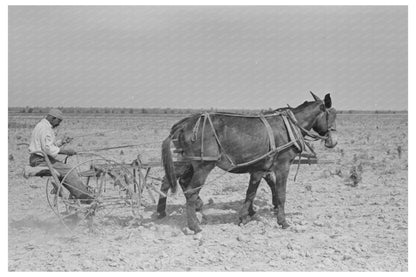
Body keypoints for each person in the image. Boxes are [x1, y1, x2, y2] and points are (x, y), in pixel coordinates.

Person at [27, 108, 92, 202]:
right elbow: (48, 149)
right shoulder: (45, 129)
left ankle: (73, 192)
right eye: (59, 121)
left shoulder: (41, 125)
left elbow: (48, 145)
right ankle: (84, 197)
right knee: (69, 171)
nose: (59, 124)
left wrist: (62, 142)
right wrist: (66, 151)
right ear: (53, 118)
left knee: (64, 169)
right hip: (41, 160)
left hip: (38, 158)